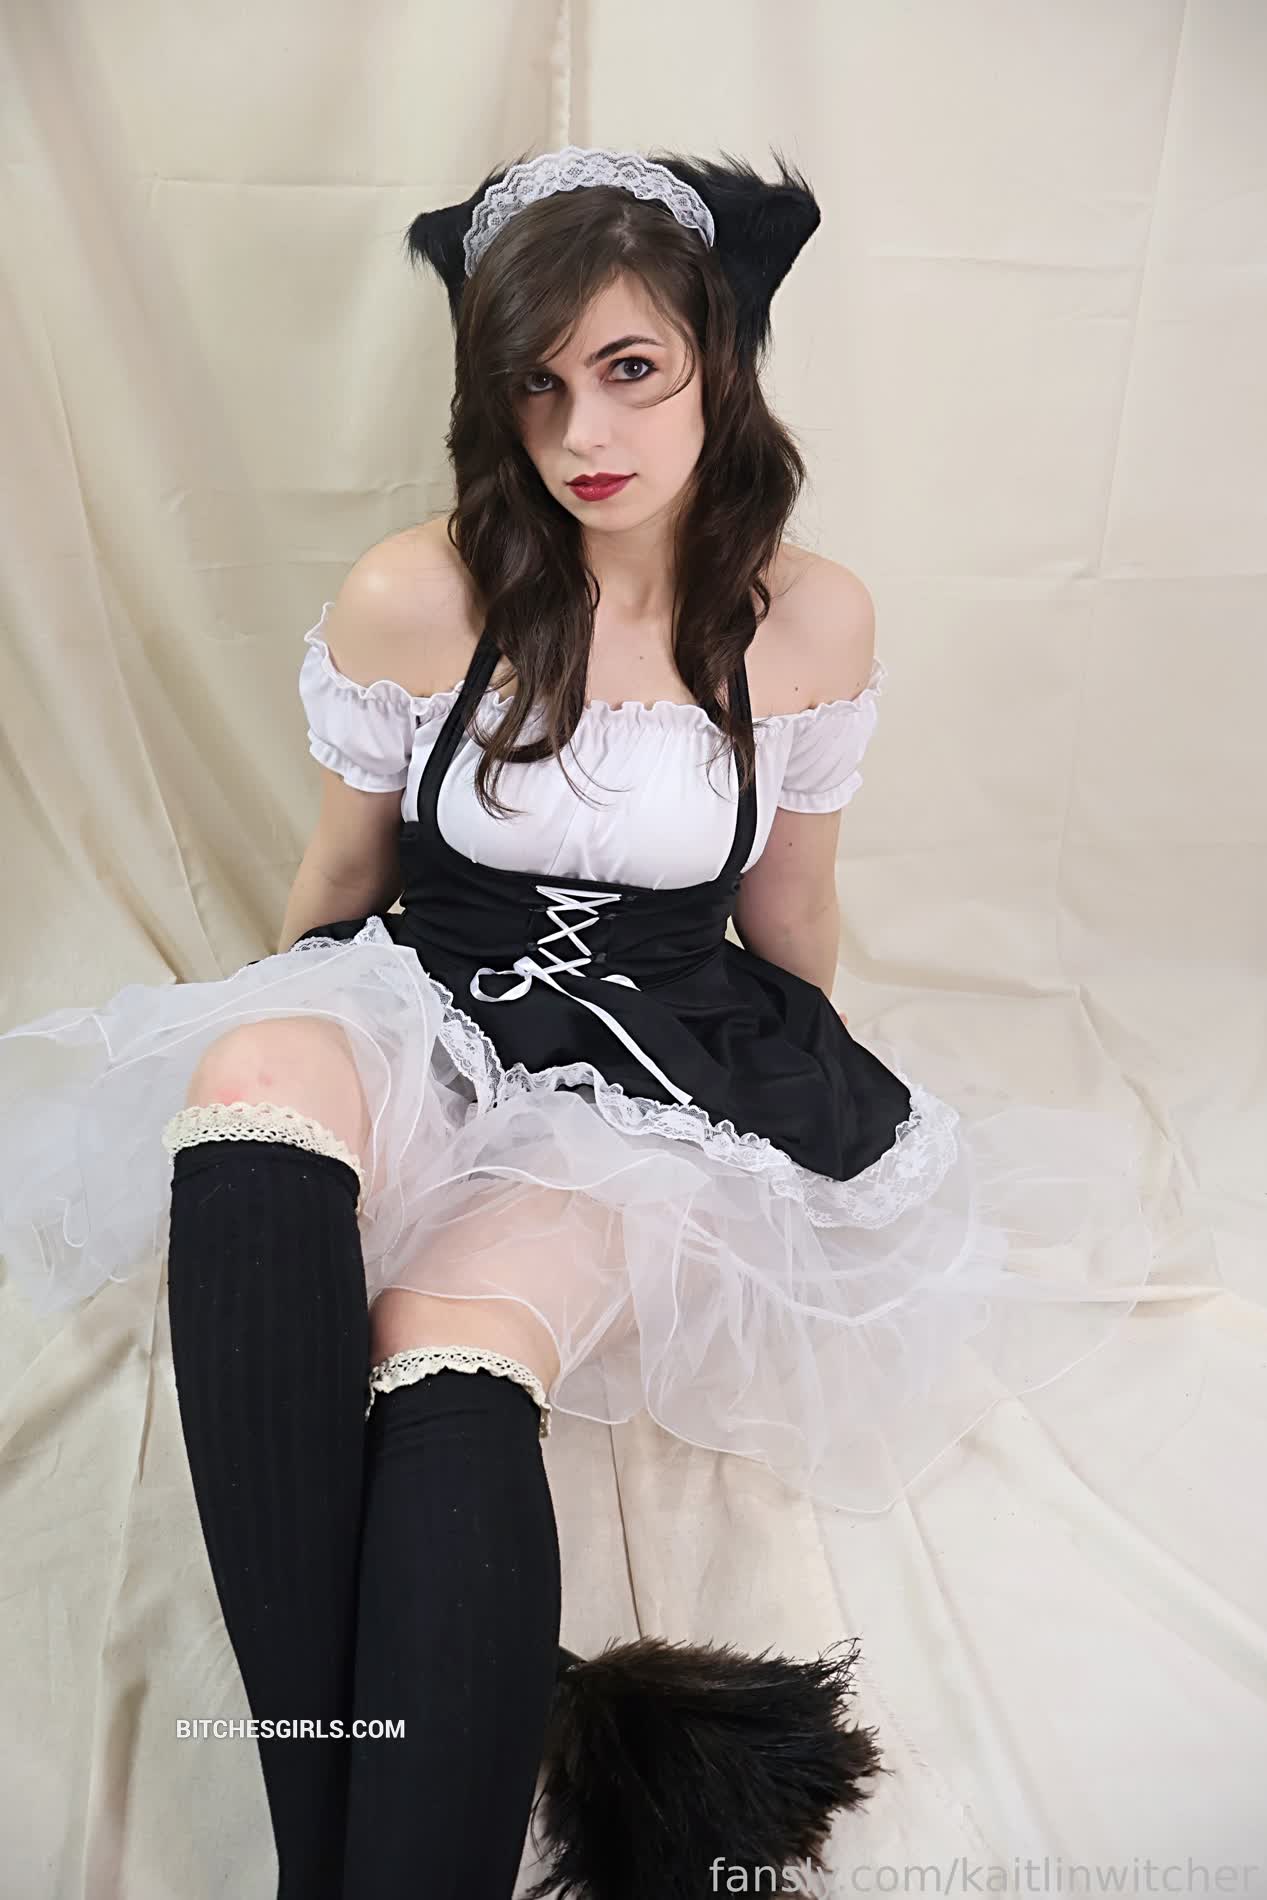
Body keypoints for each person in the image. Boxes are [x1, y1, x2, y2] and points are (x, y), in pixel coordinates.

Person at [0, 146, 1156, 1900]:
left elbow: (790, 909)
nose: (582, 431)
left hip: (654, 1057)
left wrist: (794, 1123)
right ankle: (330, 1830)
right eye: (535, 384)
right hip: (427, 990)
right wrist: (321, 1052)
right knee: (251, 1078)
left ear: (718, 360)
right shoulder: (419, 592)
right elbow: (343, 875)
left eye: (629, 370)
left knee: (440, 1337)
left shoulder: (808, 618)